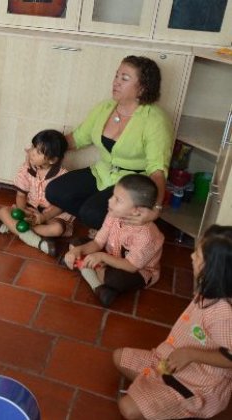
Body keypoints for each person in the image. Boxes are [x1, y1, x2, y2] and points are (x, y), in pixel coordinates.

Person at [112, 224, 232, 419]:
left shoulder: (225, 315)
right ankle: (157, 393)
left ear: (216, 270)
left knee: (128, 408)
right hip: (169, 359)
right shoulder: (211, 288)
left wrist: (191, 354)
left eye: (199, 256)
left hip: (197, 381)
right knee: (119, 357)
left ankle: (176, 403)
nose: (192, 257)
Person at [45, 56, 172, 230]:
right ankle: (102, 222)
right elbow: (78, 138)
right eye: (116, 76)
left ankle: (107, 226)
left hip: (132, 184)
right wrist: (45, 149)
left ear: (142, 88)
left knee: (92, 214)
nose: (116, 82)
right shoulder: (105, 107)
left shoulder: (156, 120)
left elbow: (157, 171)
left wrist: (155, 208)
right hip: (102, 173)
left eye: (125, 78)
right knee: (54, 191)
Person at [63, 174, 164, 308]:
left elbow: (131, 266)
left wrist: (101, 256)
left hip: (136, 270)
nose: (110, 201)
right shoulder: (113, 214)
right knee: (75, 243)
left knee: (115, 280)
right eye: (112, 196)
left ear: (136, 211)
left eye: (118, 200)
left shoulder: (147, 236)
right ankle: (99, 286)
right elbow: (98, 242)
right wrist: (78, 250)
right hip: (110, 257)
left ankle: (90, 273)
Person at [0, 129, 73, 256]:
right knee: (2, 211)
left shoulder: (64, 176)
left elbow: (61, 206)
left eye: (38, 152)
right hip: (30, 210)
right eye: (33, 147)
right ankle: (38, 240)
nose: (32, 153)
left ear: (52, 160)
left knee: (57, 229)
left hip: (51, 215)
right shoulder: (27, 169)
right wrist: (22, 210)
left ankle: (15, 228)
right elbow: (21, 195)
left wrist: (44, 217)